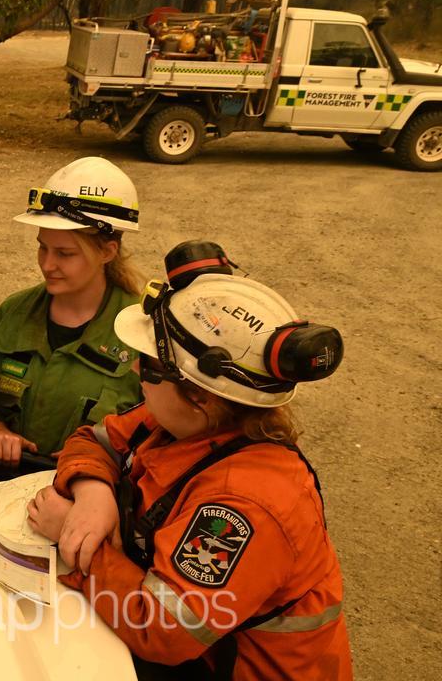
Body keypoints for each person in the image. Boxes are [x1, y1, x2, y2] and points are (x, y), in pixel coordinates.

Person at [27, 241, 351, 679]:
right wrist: (93, 494)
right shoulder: (184, 421)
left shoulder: (245, 507)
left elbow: (162, 630)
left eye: (145, 365)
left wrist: (77, 538)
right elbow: (92, 440)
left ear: (197, 395)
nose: (133, 375)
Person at [0, 157, 143, 467]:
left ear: (107, 252)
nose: (47, 264)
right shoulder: (14, 314)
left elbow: (161, 434)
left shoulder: (142, 334)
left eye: (65, 253)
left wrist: (101, 454)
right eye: (43, 247)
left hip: (92, 500)